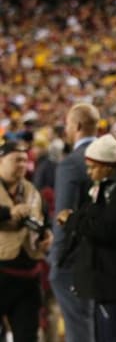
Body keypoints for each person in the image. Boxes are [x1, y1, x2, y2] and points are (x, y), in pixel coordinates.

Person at [56, 134, 116, 342]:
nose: (90, 173)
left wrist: (72, 220)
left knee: (114, 336)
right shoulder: (107, 188)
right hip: (107, 279)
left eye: (93, 167)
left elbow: (106, 229)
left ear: (108, 166)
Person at [48, 103, 99, 342]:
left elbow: (63, 216)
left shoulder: (72, 163)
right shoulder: (114, 156)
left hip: (76, 260)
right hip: (110, 259)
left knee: (79, 327)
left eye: (68, 125)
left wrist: (56, 258)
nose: (66, 130)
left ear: (77, 126)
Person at [0, 141, 53, 342]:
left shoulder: (32, 190)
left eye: (24, 159)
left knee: (27, 334)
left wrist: (47, 234)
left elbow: (44, 219)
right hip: (1, 270)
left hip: (27, 275)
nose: (22, 164)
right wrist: (7, 213)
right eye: (16, 159)